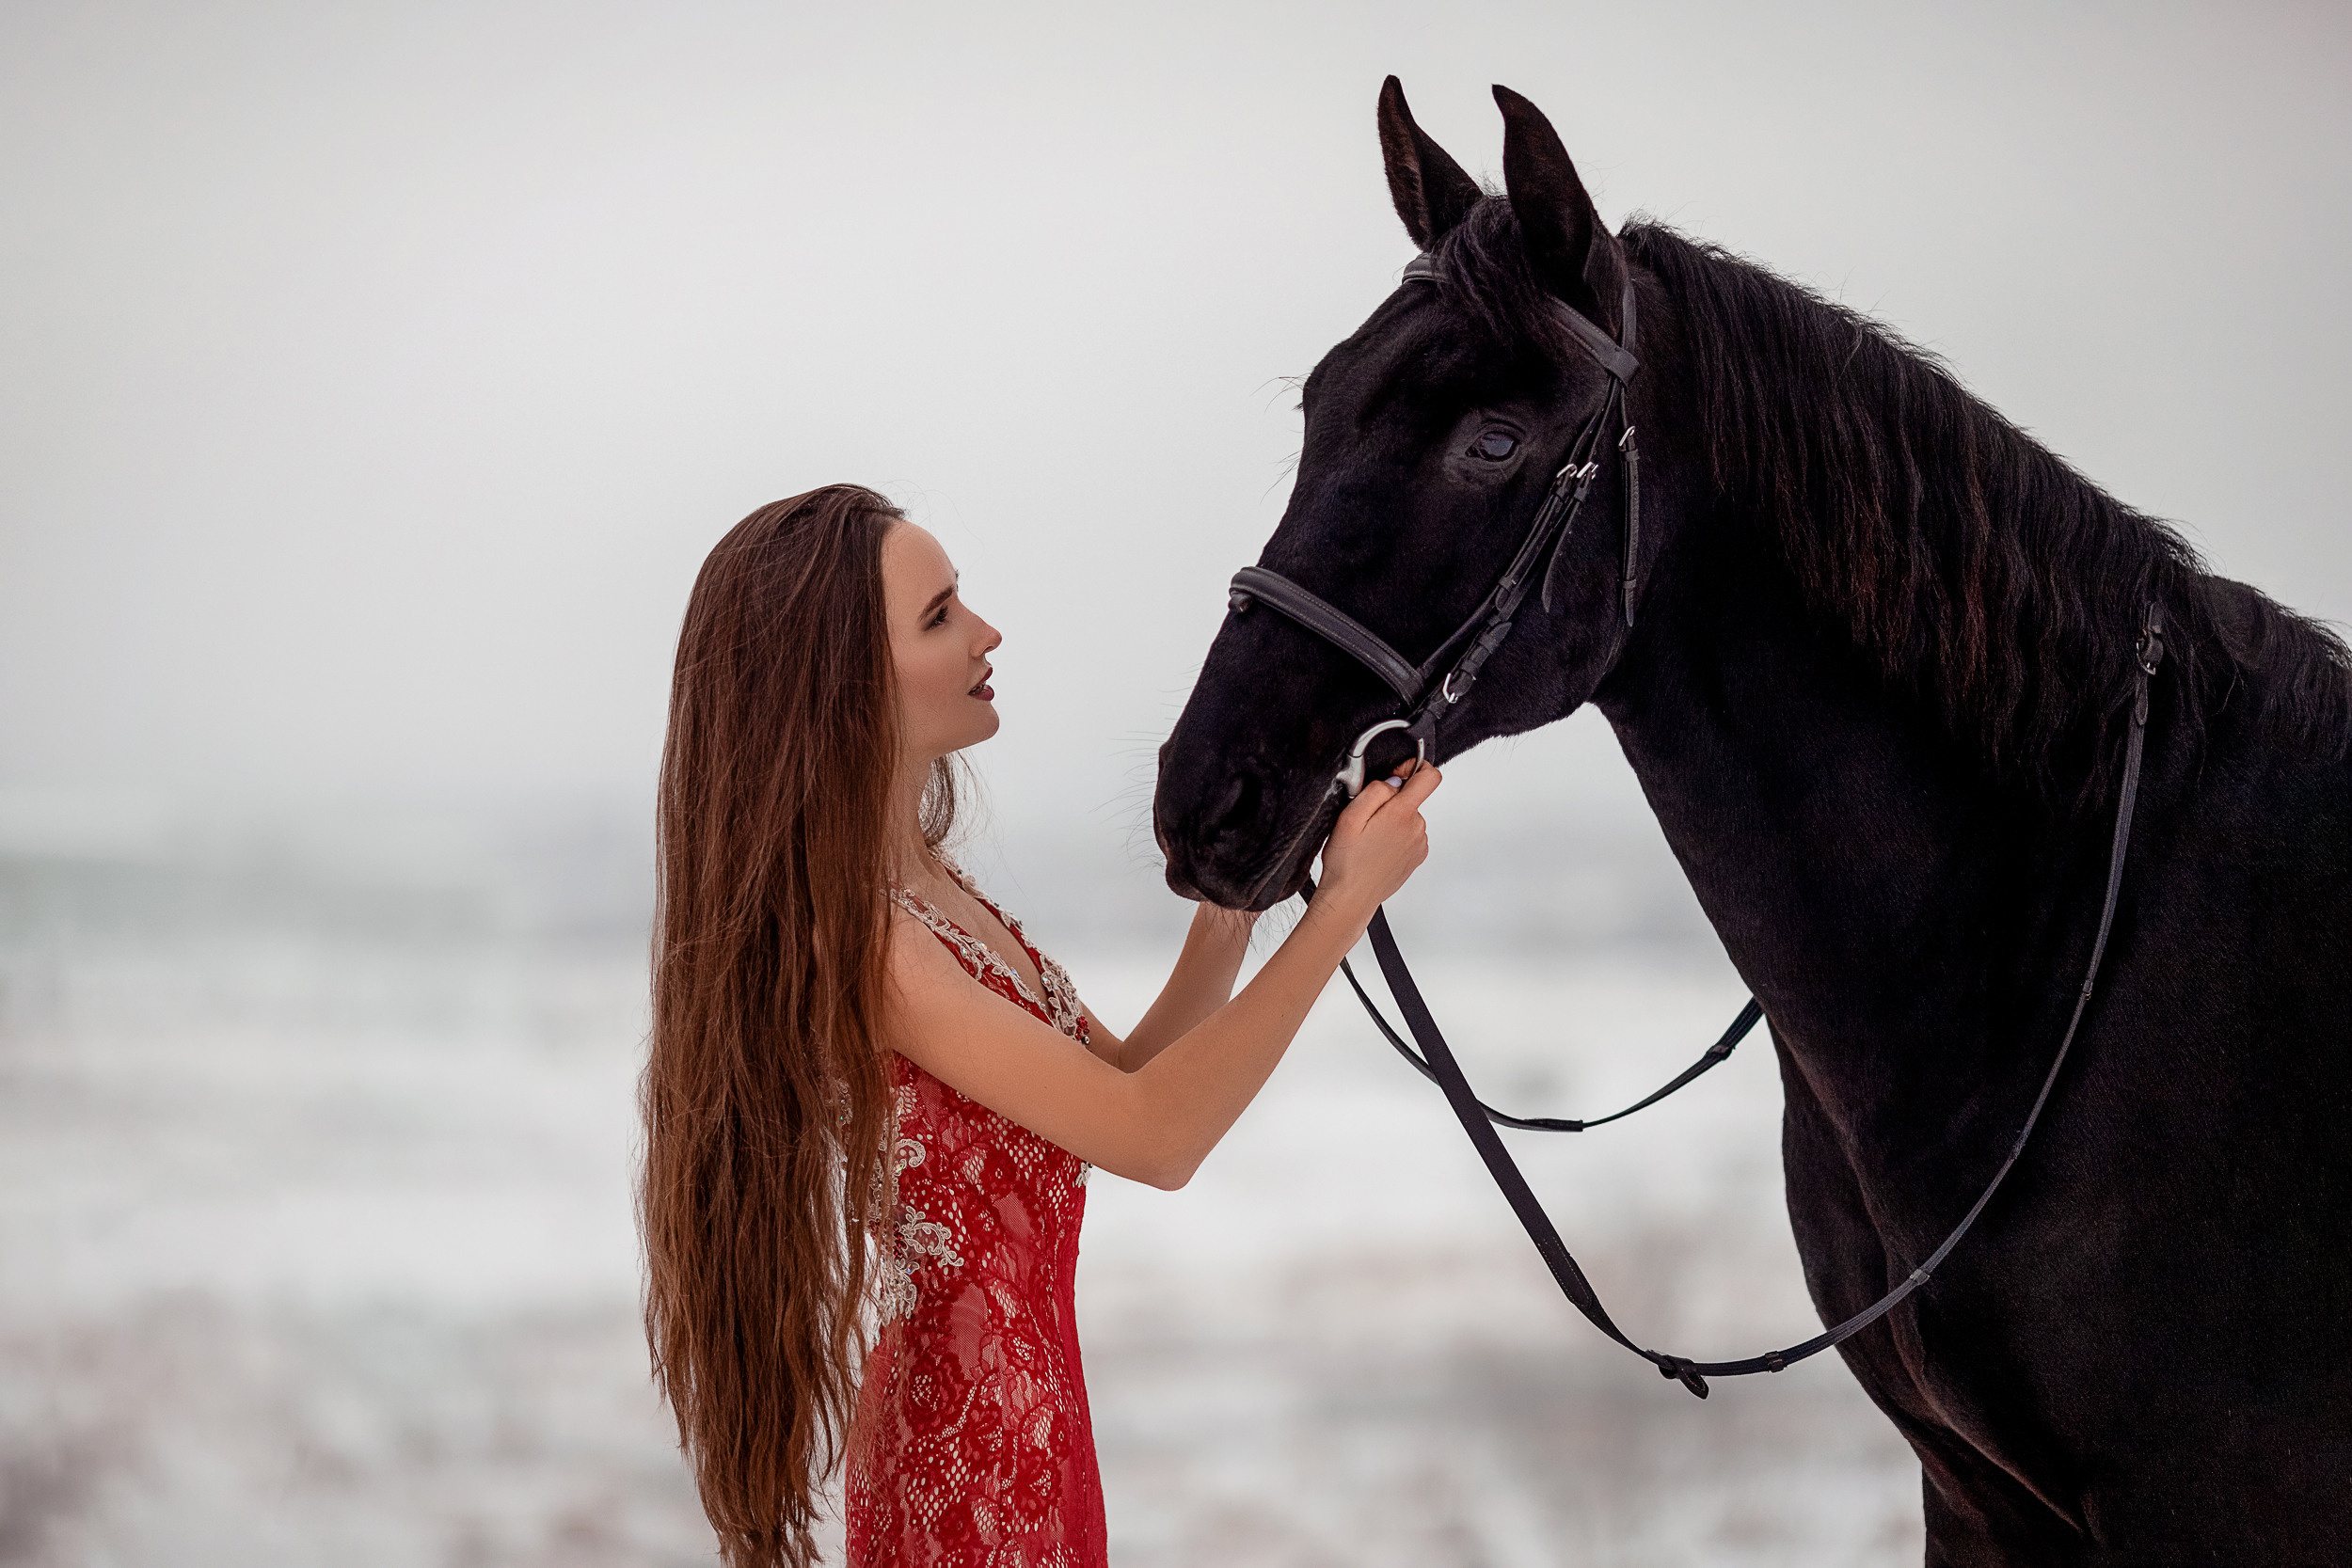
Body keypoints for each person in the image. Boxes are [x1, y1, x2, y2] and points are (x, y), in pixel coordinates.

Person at [639, 484, 1439, 1568]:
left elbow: (1119, 1081)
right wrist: (1342, 908)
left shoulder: (926, 890)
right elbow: (1155, 1136)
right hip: (965, 1447)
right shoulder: (872, 941)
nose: (985, 631)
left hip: (1030, 1415)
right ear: (843, 689)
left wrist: (1240, 900)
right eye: (939, 617)